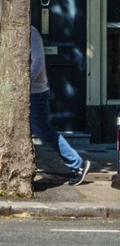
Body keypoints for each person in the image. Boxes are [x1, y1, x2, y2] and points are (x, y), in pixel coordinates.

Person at [29, 25, 90, 185]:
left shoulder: (31, 33)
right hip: (24, 93)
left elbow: (39, 61)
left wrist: (24, 82)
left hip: (36, 93)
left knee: (44, 131)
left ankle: (78, 164)